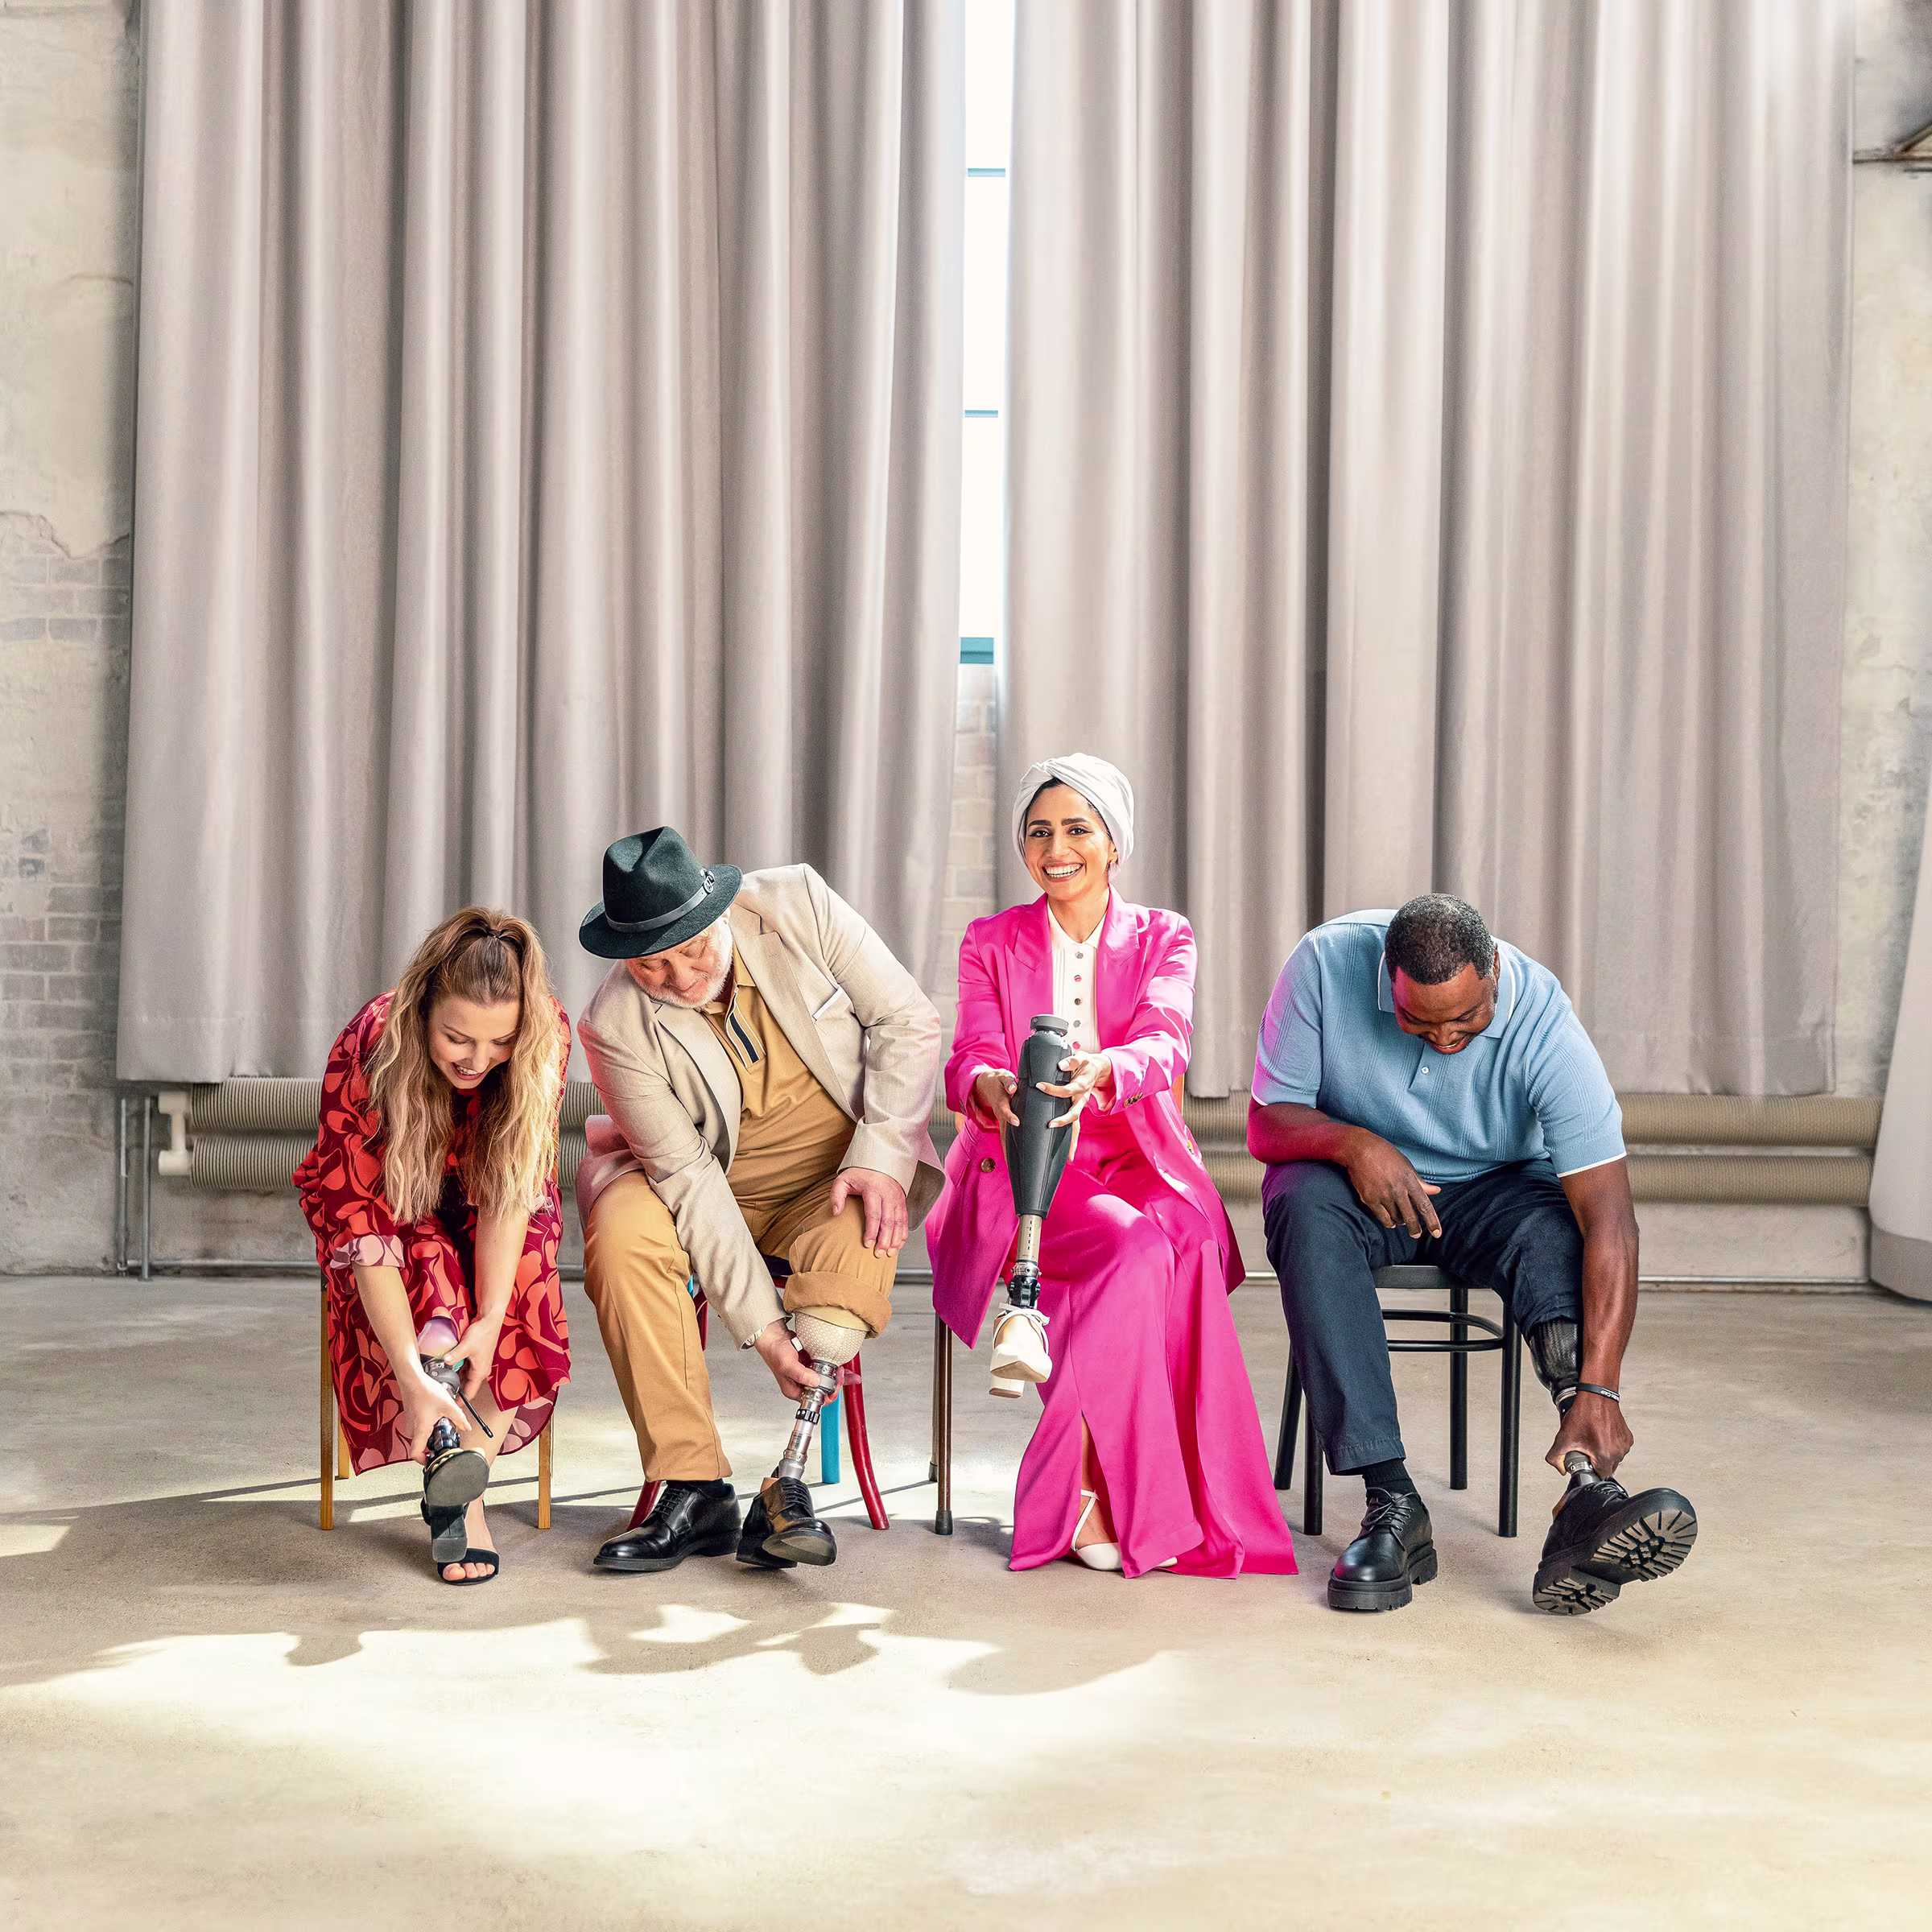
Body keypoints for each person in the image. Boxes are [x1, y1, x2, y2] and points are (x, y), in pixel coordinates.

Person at [1250, 894, 1698, 1616]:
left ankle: (1587, 1493)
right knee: (1300, 1204)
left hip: (1494, 1191)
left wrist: (1602, 1390)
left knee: (1557, 1230)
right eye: (1418, 1022)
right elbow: (1268, 1124)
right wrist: (1353, 1143)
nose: (1445, 1039)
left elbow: (1612, 1220)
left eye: (1467, 1018)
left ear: (1493, 971)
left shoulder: (1546, 1024)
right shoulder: (1327, 965)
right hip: (1358, 1187)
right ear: (1385, 978)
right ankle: (1392, 1504)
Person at [927, 754, 1298, 1580]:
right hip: (1027, 1166)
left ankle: (1175, 1496)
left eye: (1076, 829)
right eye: (1039, 832)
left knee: (1192, 1240)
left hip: (1133, 1149)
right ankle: (1083, 1489)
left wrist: (1108, 1071)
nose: (1056, 848)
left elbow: (1166, 1042)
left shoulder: (1166, 935)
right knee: (1134, 1251)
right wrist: (988, 1083)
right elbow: (970, 1054)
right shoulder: (990, 940)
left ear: (1113, 845)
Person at [574, 827, 943, 1575]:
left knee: (839, 1309)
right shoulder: (613, 1026)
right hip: (711, 1186)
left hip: (840, 1174)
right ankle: (694, 1485)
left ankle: (789, 1482)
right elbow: (686, 1178)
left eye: (692, 951)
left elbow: (907, 1019)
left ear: (719, 913)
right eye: (651, 965)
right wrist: (763, 1331)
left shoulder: (797, 903)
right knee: (621, 1233)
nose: (677, 977)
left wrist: (880, 1156)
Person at [295, 908, 572, 1585]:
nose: (479, 1061)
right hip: (392, 1209)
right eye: (457, 1038)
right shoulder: (371, 1044)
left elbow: (512, 1189)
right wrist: (411, 1377)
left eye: (500, 1042)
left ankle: (462, 1491)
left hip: (492, 1202)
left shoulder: (546, 1035)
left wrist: (489, 1320)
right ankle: (446, 1452)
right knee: (427, 1262)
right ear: (422, 1009)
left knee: (525, 1260)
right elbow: (361, 1222)